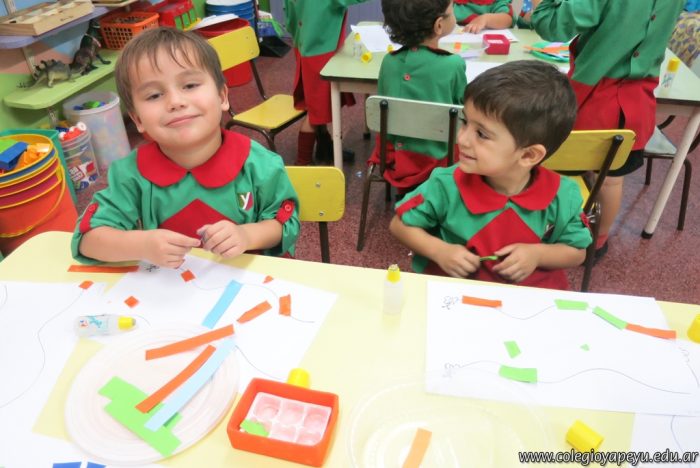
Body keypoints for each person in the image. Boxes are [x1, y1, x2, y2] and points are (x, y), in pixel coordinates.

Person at [71, 27, 300, 268]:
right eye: (154, 95)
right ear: (137, 119)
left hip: (250, 280)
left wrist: (246, 235)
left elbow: (284, 223)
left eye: (190, 85)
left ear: (222, 96)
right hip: (171, 286)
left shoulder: (260, 164)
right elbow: (87, 240)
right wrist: (142, 245)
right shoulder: (131, 174)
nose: (175, 102)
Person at [389, 60, 591, 290]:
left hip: (526, 301)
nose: (462, 139)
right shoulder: (445, 185)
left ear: (528, 155)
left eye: (482, 134)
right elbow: (399, 225)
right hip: (452, 295)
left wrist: (537, 254)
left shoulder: (563, 196)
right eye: (465, 122)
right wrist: (440, 251)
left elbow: (577, 251)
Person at [531, 0, 685, 257]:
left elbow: (550, 25)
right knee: (611, 180)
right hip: (638, 101)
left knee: (558, 171)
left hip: (591, 100)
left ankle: (556, 236)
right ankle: (597, 242)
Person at [369, 0, 467, 193]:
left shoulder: (389, 62)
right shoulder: (453, 64)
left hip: (393, 158)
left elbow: (382, 108)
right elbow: (464, 112)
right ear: (439, 25)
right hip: (440, 159)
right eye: (452, 9)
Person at [284, 0, 369, 166]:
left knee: (318, 105)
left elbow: (289, 18)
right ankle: (302, 162)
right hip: (321, 52)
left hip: (304, 46)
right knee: (315, 112)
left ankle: (324, 147)